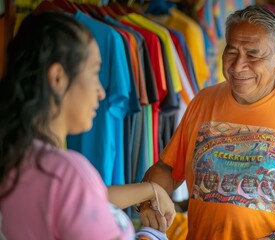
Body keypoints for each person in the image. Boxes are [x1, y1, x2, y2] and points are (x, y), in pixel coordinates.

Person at [138, 5, 275, 240]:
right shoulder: (204, 101)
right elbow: (168, 169)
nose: (238, 66)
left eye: (253, 55)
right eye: (231, 52)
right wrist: (150, 200)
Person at [0, 11, 175, 239]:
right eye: (95, 74)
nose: (101, 92)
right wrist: (151, 235)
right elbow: (73, 192)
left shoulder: (17, 156)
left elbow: (77, 199)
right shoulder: (68, 172)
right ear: (58, 78)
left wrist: (151, 190)